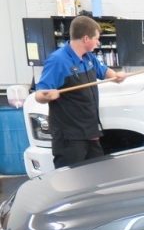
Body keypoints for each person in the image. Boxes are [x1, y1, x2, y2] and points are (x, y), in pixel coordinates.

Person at [35, 15, 126, 168]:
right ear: (85, 39)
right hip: (69, 138)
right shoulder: (57, 61)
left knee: (96, 176)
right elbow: (39, 95)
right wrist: (47, 96)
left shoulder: (88, 57)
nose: (98, 42)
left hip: (90, 131)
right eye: (96, 38)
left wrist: (115, 76)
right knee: (71, 183)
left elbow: (102, 70)